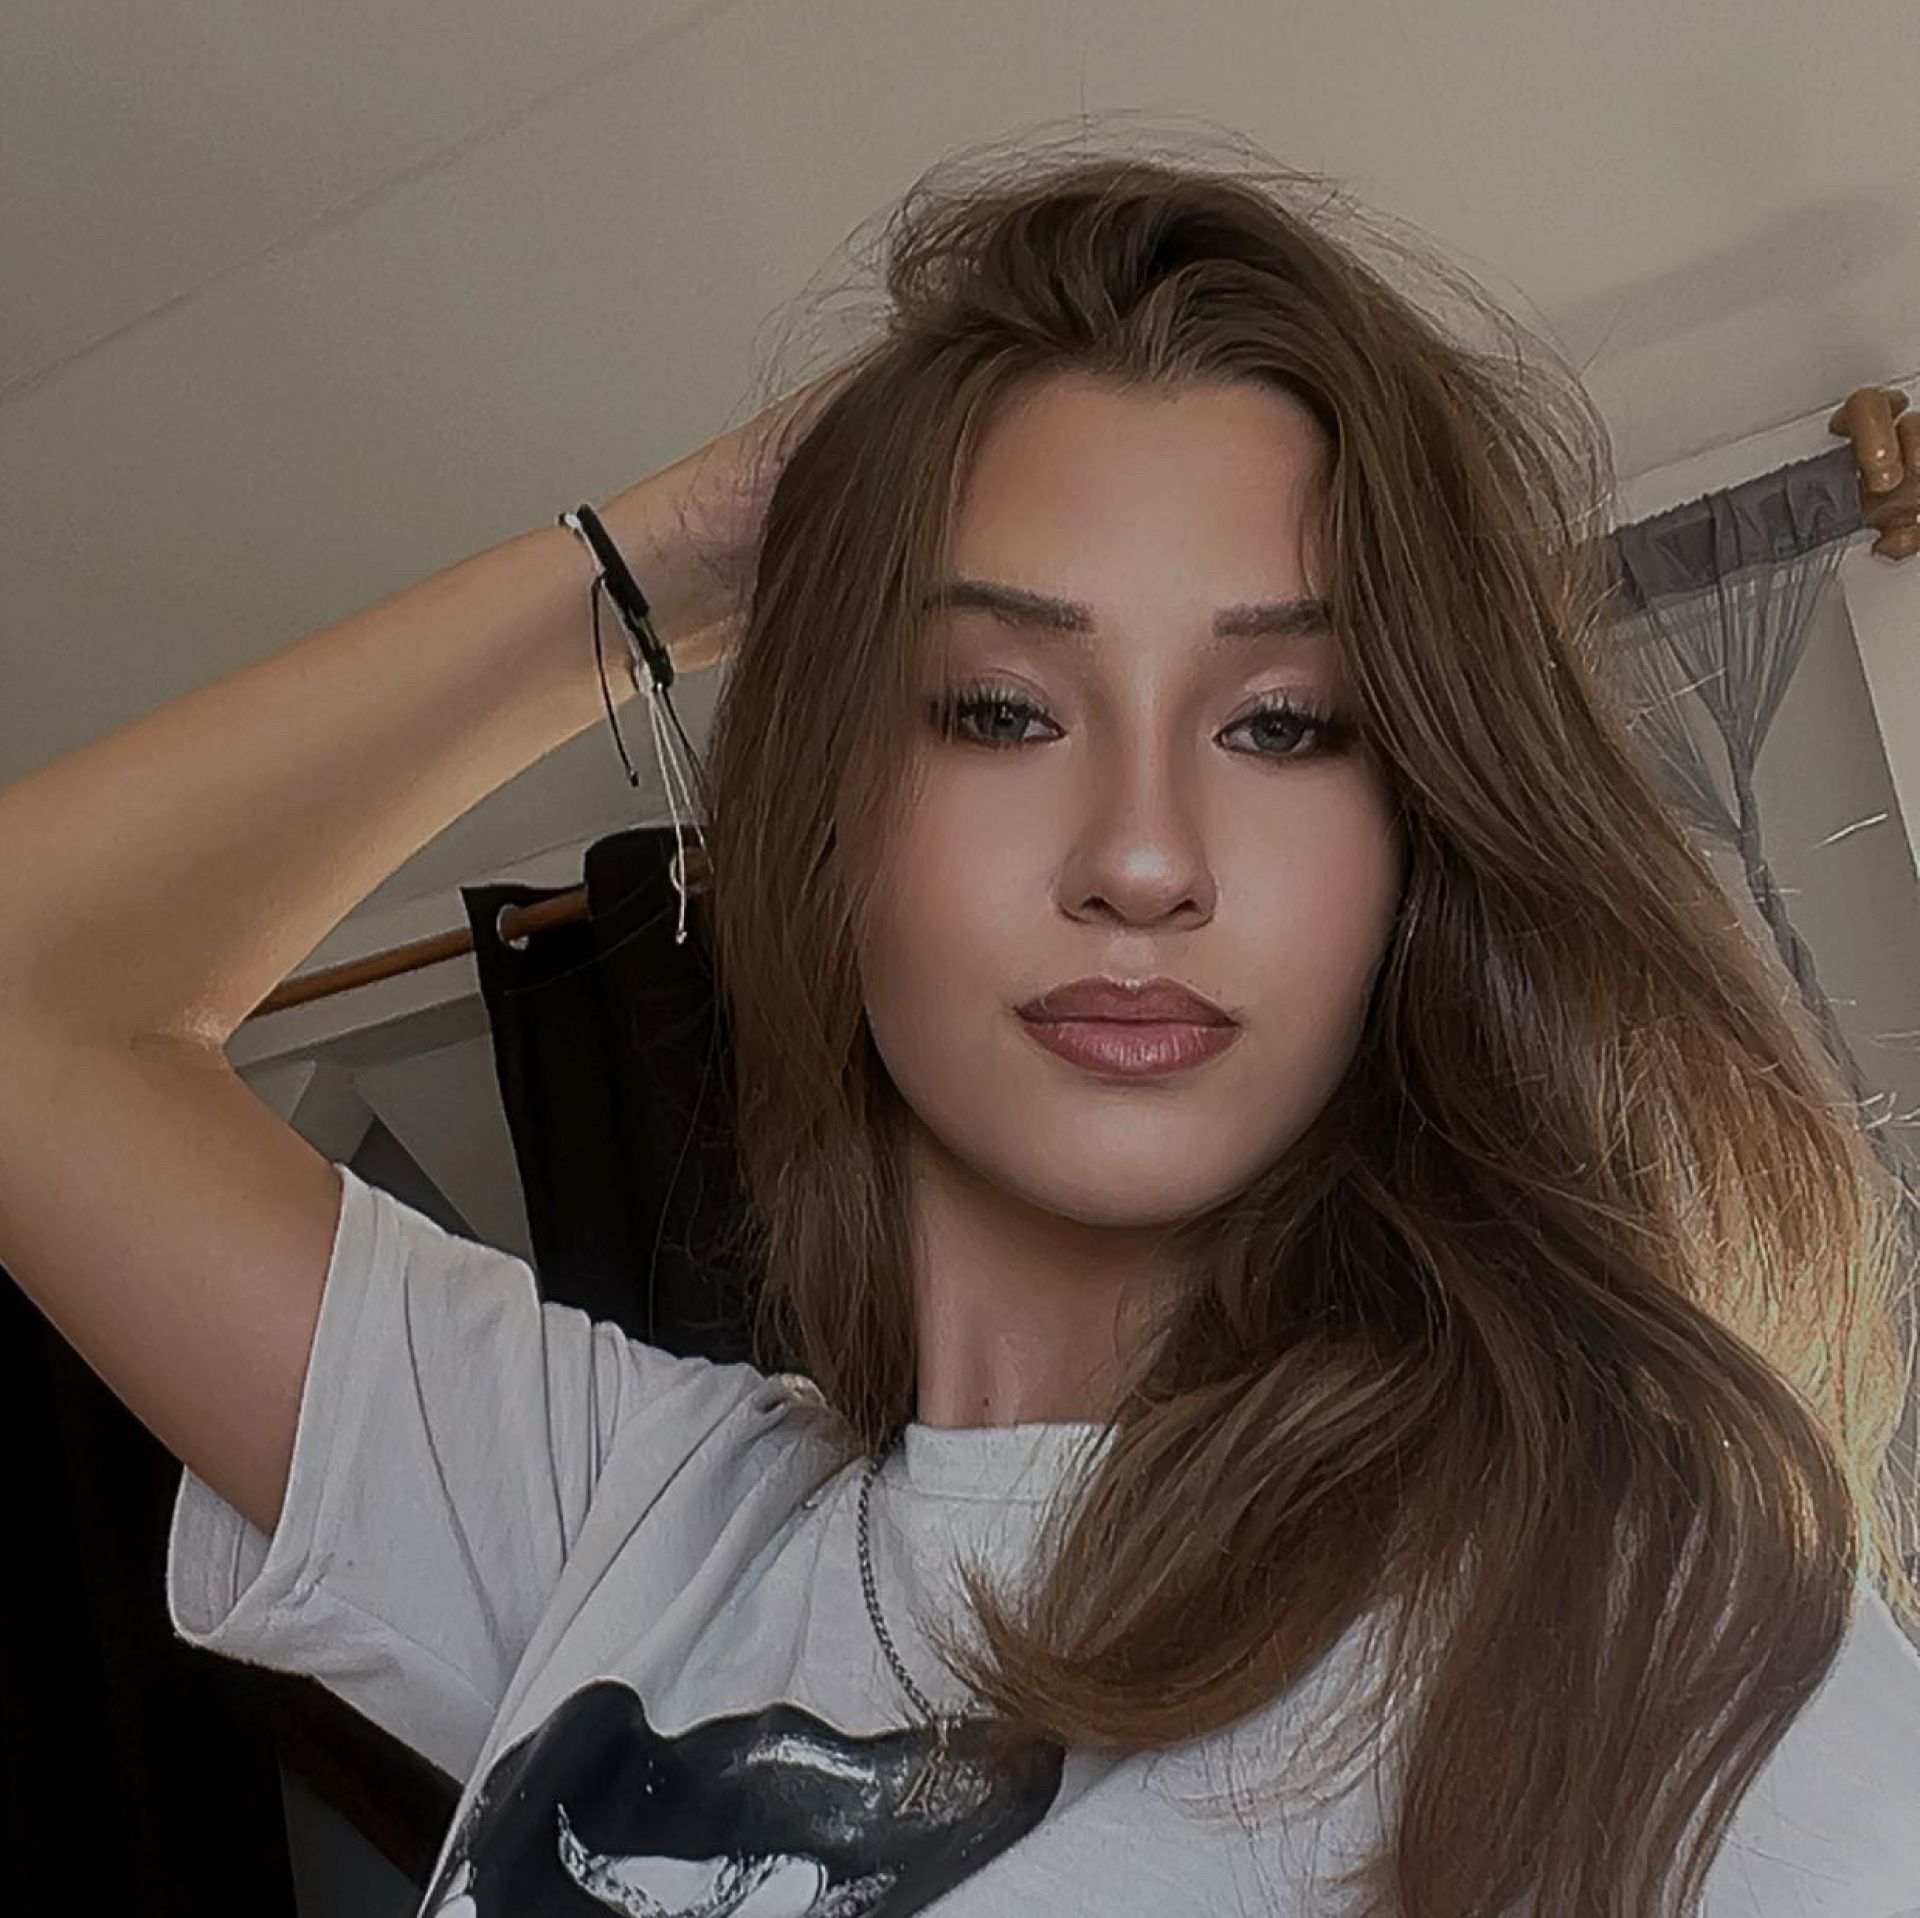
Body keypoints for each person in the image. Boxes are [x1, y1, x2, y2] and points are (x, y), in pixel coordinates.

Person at [1, 134, 1917, 1918]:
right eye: (1000, 708)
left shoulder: (1651, 1644)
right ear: (831, 817)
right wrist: (671, 556)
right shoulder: (631, 1516)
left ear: (1414, 843)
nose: (1145, 855)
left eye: (1283, 723)